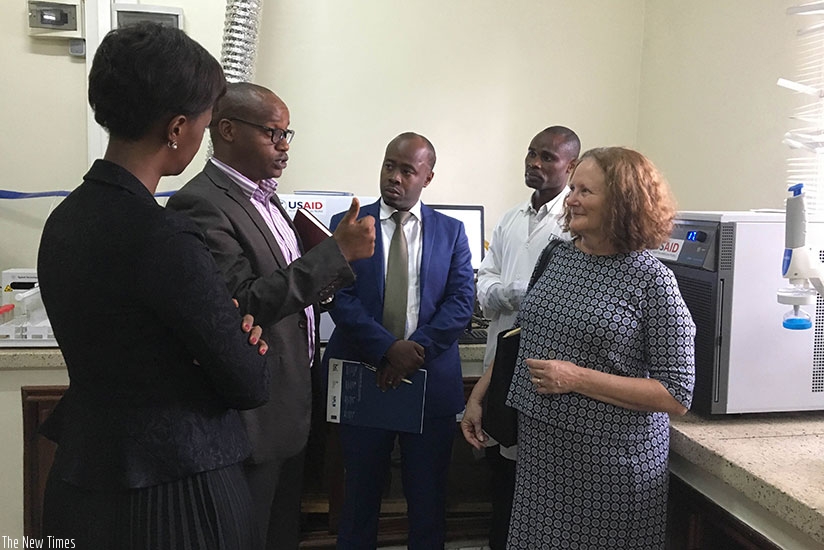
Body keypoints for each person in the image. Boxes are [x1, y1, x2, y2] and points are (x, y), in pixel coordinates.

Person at [37, 23, 271, 550]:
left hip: (80, 486)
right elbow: (247, 382)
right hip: (176, 499)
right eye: (206, 124)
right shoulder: (164, 238)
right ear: (176, 128)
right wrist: (243, 344)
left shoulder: (65, 221)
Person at [166, 82, 375, 550]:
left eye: (287, 134)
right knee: (248, 534)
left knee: (282, 532)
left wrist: (331, 269)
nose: (284, 147)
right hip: (251, 413)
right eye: (272, 133)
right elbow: (241, 302)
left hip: (290, 402)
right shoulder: (201, 203)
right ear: (227, 131)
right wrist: (336, 254)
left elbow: (290, 289)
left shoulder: (267, 197)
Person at [462, 147, 696, 549]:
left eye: (585, 191)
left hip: (610, 467)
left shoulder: (652, 281)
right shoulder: (557, 256)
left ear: (624, 202)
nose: (571, 199)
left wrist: (576, 378)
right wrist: (479, 395)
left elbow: (676, 394)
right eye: (572, 188)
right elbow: (522, 333)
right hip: (542, 454)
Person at [322, 132, 475, 549]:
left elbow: (462, 302)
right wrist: (388, 349)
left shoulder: (452, 232)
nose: (395, 177)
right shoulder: (348, 225)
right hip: (364, 373)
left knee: (427, 499)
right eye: (390, 165)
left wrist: (414, 352)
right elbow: (339, 296)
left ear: (428, 176)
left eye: (408, 170)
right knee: (359, 498)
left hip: (428, 383)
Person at [471, 125, 580, 549]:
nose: (534, 163)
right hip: (501, 359)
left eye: (547, 157)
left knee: (534, 485)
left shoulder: (572, 226)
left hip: (543, 372)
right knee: (500, 475)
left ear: (570, 166)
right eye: (531, 154)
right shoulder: (510, 219)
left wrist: (509, 294)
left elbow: (555, 299)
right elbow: (484, 283)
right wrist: (516, 292)